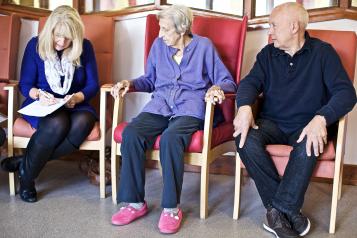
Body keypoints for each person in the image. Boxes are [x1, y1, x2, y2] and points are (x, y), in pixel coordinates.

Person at [110, 5, 236, 234]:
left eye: (166, 30)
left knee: (171, 138)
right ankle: (135, 203)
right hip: (160, 105)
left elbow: (227, 81)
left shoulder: (204, 47)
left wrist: (217, 88)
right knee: (131, 134)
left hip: (191, 107)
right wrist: (131, 83)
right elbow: (149, 80)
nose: (160, 35)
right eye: (160, 28)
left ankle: (171, 209)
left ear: (182, 29)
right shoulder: (159, 46)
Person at [234, 2, 356, 238]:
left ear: (293, 27)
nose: (269, 32)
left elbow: (346, 93)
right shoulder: (267, 54)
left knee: (309, 144)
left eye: (273, 26)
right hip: (271, 123)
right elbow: (249, 83)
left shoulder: (323, 53)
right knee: (243, 137)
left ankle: (277, 211)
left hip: (307, 125)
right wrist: (245, 107)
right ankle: (289, 212)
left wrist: (321, 118)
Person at [0, 5, 99, 203]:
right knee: (58, 122)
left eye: (68, 38)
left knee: (84, 121)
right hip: (44, 104)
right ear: (50, 31)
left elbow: (92, 84)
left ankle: (24, 165)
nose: (62, 42)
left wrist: (76, 98)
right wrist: (38, 95)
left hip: (75, 103)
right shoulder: (35, 45)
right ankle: (28, 180)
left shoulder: (85, 47)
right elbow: (26, 84)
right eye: (58, 36)